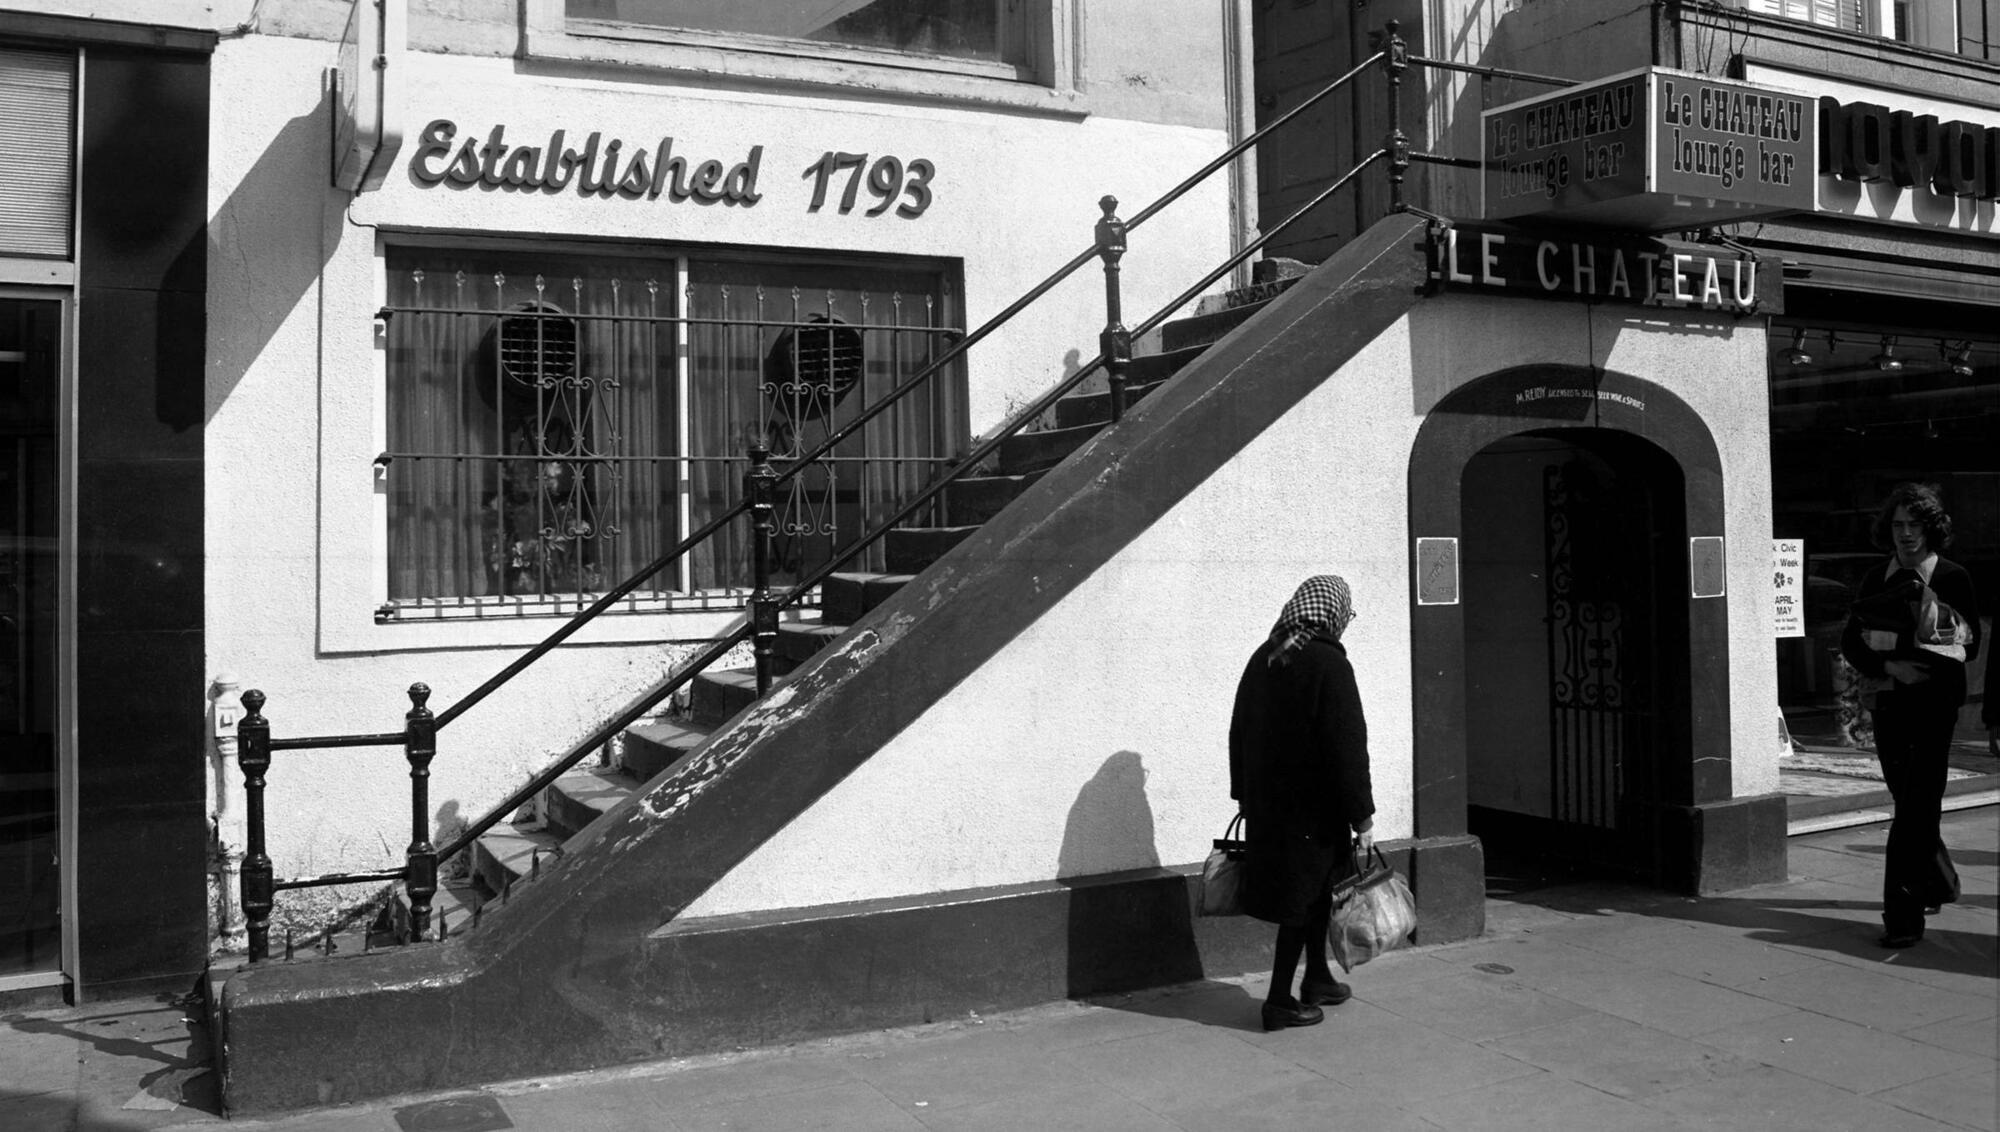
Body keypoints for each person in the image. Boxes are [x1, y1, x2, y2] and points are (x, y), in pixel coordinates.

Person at [1228, 575, 1376, 1030]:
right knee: (1300, 901)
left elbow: (1239, 732)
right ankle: (1278, 1001)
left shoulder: (1265, 657)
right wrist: (1362, 813)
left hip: (1271, 807)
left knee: (1312, 897)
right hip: (1315, 810)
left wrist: (1244, 794)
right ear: (1333, 612)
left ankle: (1317, 979)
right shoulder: (1328, 664)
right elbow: (1347, 744)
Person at [1840, 483, 1981, 949]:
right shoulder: (1875, 578)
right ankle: (1939, 882)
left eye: (1914, 525)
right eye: (1898, 525)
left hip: (1935, 707)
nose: (1905, 534)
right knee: (1912, 805)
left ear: (1930, 528)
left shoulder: (1953, 576)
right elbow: (1851, 641)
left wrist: (1928, 634)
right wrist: (1887, 664)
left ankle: (1902, 918)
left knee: (1915, 810)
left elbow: (1971, 643)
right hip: (1889, 705)